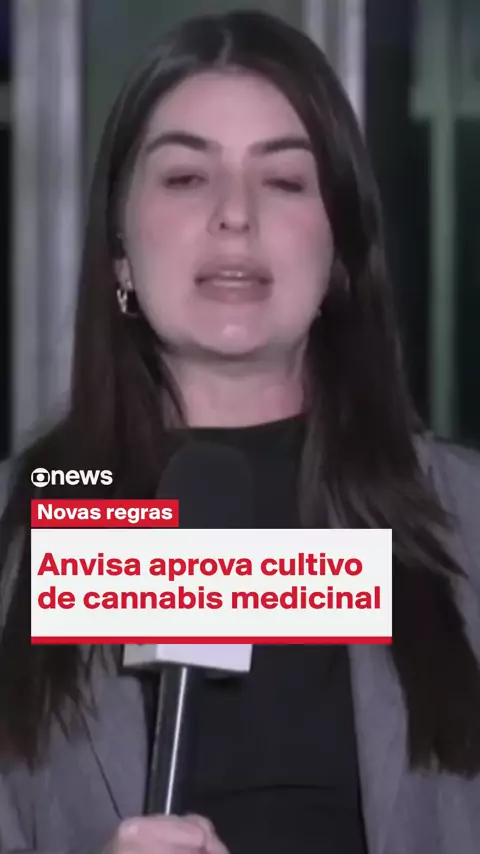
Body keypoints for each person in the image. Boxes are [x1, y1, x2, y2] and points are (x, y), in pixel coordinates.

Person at [0, 9, 479, 854]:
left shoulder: (467, 522)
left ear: (341, 250)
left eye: (284, 180)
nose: (234, 214)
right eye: (187, 177)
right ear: (119, 249)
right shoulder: (26, 520)